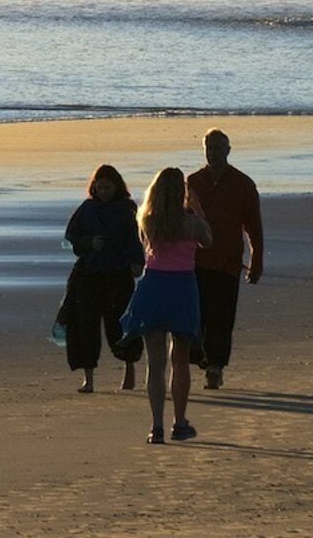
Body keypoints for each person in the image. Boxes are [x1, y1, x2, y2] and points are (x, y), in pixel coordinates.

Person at [117, 165, 212, 443]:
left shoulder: (148, 220)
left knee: (155, 362)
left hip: (154, 287)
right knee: (179, 360)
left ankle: (156, 425)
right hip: (181, 288)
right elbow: (208, 240)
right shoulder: (191, 223)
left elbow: (145, 245)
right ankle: (179, 422)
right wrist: (198, 209)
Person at [183, 128, 266, 389]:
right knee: (196, 316)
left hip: (228, 263)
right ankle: (201, 357)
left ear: (228, 150)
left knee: (222, 318)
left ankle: (216, 367)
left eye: (219, 148)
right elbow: (182, 221)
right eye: (210, 148)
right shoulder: (193, 182)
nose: (214, 153)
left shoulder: (243, 184)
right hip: (195, 262)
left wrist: (256, 261)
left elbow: (254, 227)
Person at [56, 164, 141, 393]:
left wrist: (137, 262)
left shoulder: (126, 209)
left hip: (118, 275)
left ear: (116, 187)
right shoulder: (87, 208)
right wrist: (88, 242)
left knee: (120, 324)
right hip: (89, 274)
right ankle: (89, 378)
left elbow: (135, 238)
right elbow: (71, 236)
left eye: (108, 188)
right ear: (94, 187)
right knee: (85, 326)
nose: (104, 192)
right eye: (100, 187)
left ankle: (129, 368)